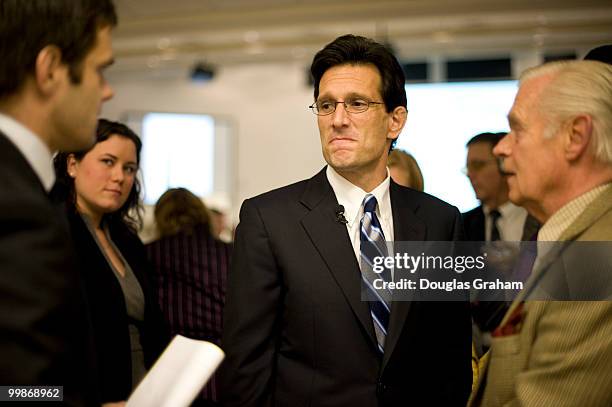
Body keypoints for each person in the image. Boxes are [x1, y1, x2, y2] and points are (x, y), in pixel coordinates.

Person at [220, 34, 472, 406]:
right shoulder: (269, 221)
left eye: (356, 104)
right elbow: (246, 367)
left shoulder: (439, 221)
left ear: (394, 121)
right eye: (326, 105)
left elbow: (450, 358)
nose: (337, 120)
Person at [470, 60, 612, 406]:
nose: (502, 148)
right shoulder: (570, 241)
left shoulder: (597, 258)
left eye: (517, 130)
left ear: (575, 137)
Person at [0, 1, 116, 404]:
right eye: (99, 70)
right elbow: (21, 393)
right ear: (50, 69)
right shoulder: (16, 207)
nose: (107, 90)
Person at [53, 119, 169, 404]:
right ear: (72, 165)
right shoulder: (51, 237)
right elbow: (17, 386)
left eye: (129, 168)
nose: (120, 176)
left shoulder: (127, 241)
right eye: (108, 161)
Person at [146, 187, 231, 406]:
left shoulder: (147, 255)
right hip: (223, 372)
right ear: (202, 214)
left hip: (168, 372)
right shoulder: (230, 253)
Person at [462, 132, 537, 242]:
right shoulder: (462, 225)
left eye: (477, 165)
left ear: (505, 164)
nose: (470, 174)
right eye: (468, 168)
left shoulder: (537, 218)